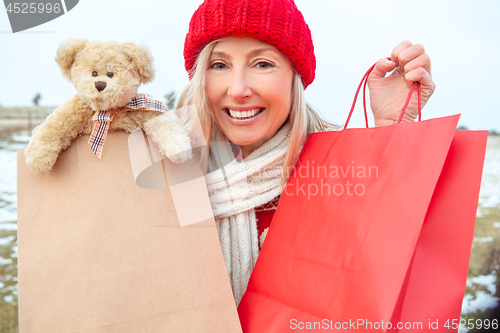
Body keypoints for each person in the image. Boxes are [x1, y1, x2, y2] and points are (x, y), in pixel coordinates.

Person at [175, 0, 435, 306]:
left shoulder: (340, 172)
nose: (238, 89)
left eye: (262, 64)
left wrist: (393, 134)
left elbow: (398, 280)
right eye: (219, 65)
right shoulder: (167, 166)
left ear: (295, 76)